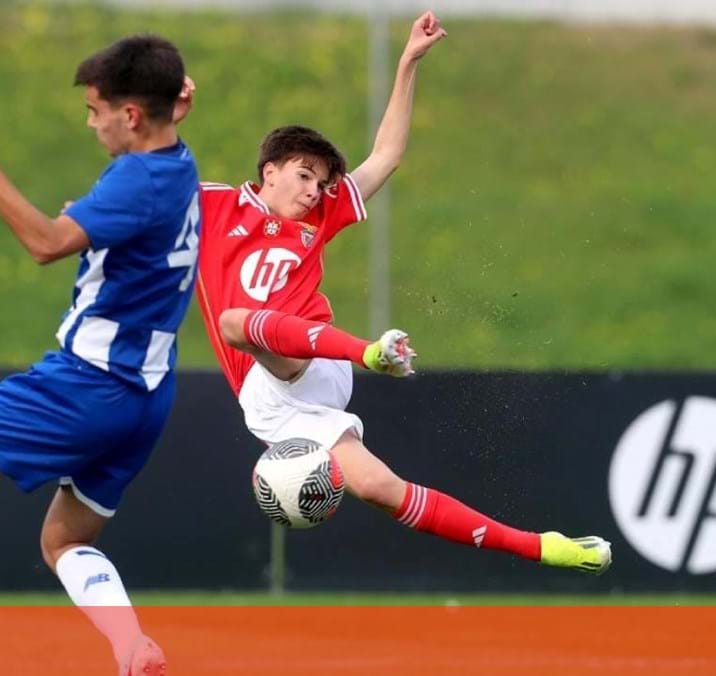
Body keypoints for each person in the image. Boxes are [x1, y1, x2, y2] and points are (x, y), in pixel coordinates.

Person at [190, 12, 612, 575]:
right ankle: (541, 545)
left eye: (321, 182)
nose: (315, 190)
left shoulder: (322, 216)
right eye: (303, 174)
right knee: (379, 488)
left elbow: (385, 156)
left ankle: (371, 351)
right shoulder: (212, 205)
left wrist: (408, 61)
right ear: (268, 170)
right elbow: (147, 175)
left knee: (236, 323)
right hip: (272, 400)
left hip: (322, 359)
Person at [0, 34, 199, 676]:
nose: (90, 122)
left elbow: (45, 242)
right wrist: (174, 97)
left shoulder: (138, 177)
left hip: (87, 384)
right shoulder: (178, 162)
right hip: (149, 398)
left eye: (95, 109)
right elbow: (156, 135)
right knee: (65, 540)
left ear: (132, 115)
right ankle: (133, 648)